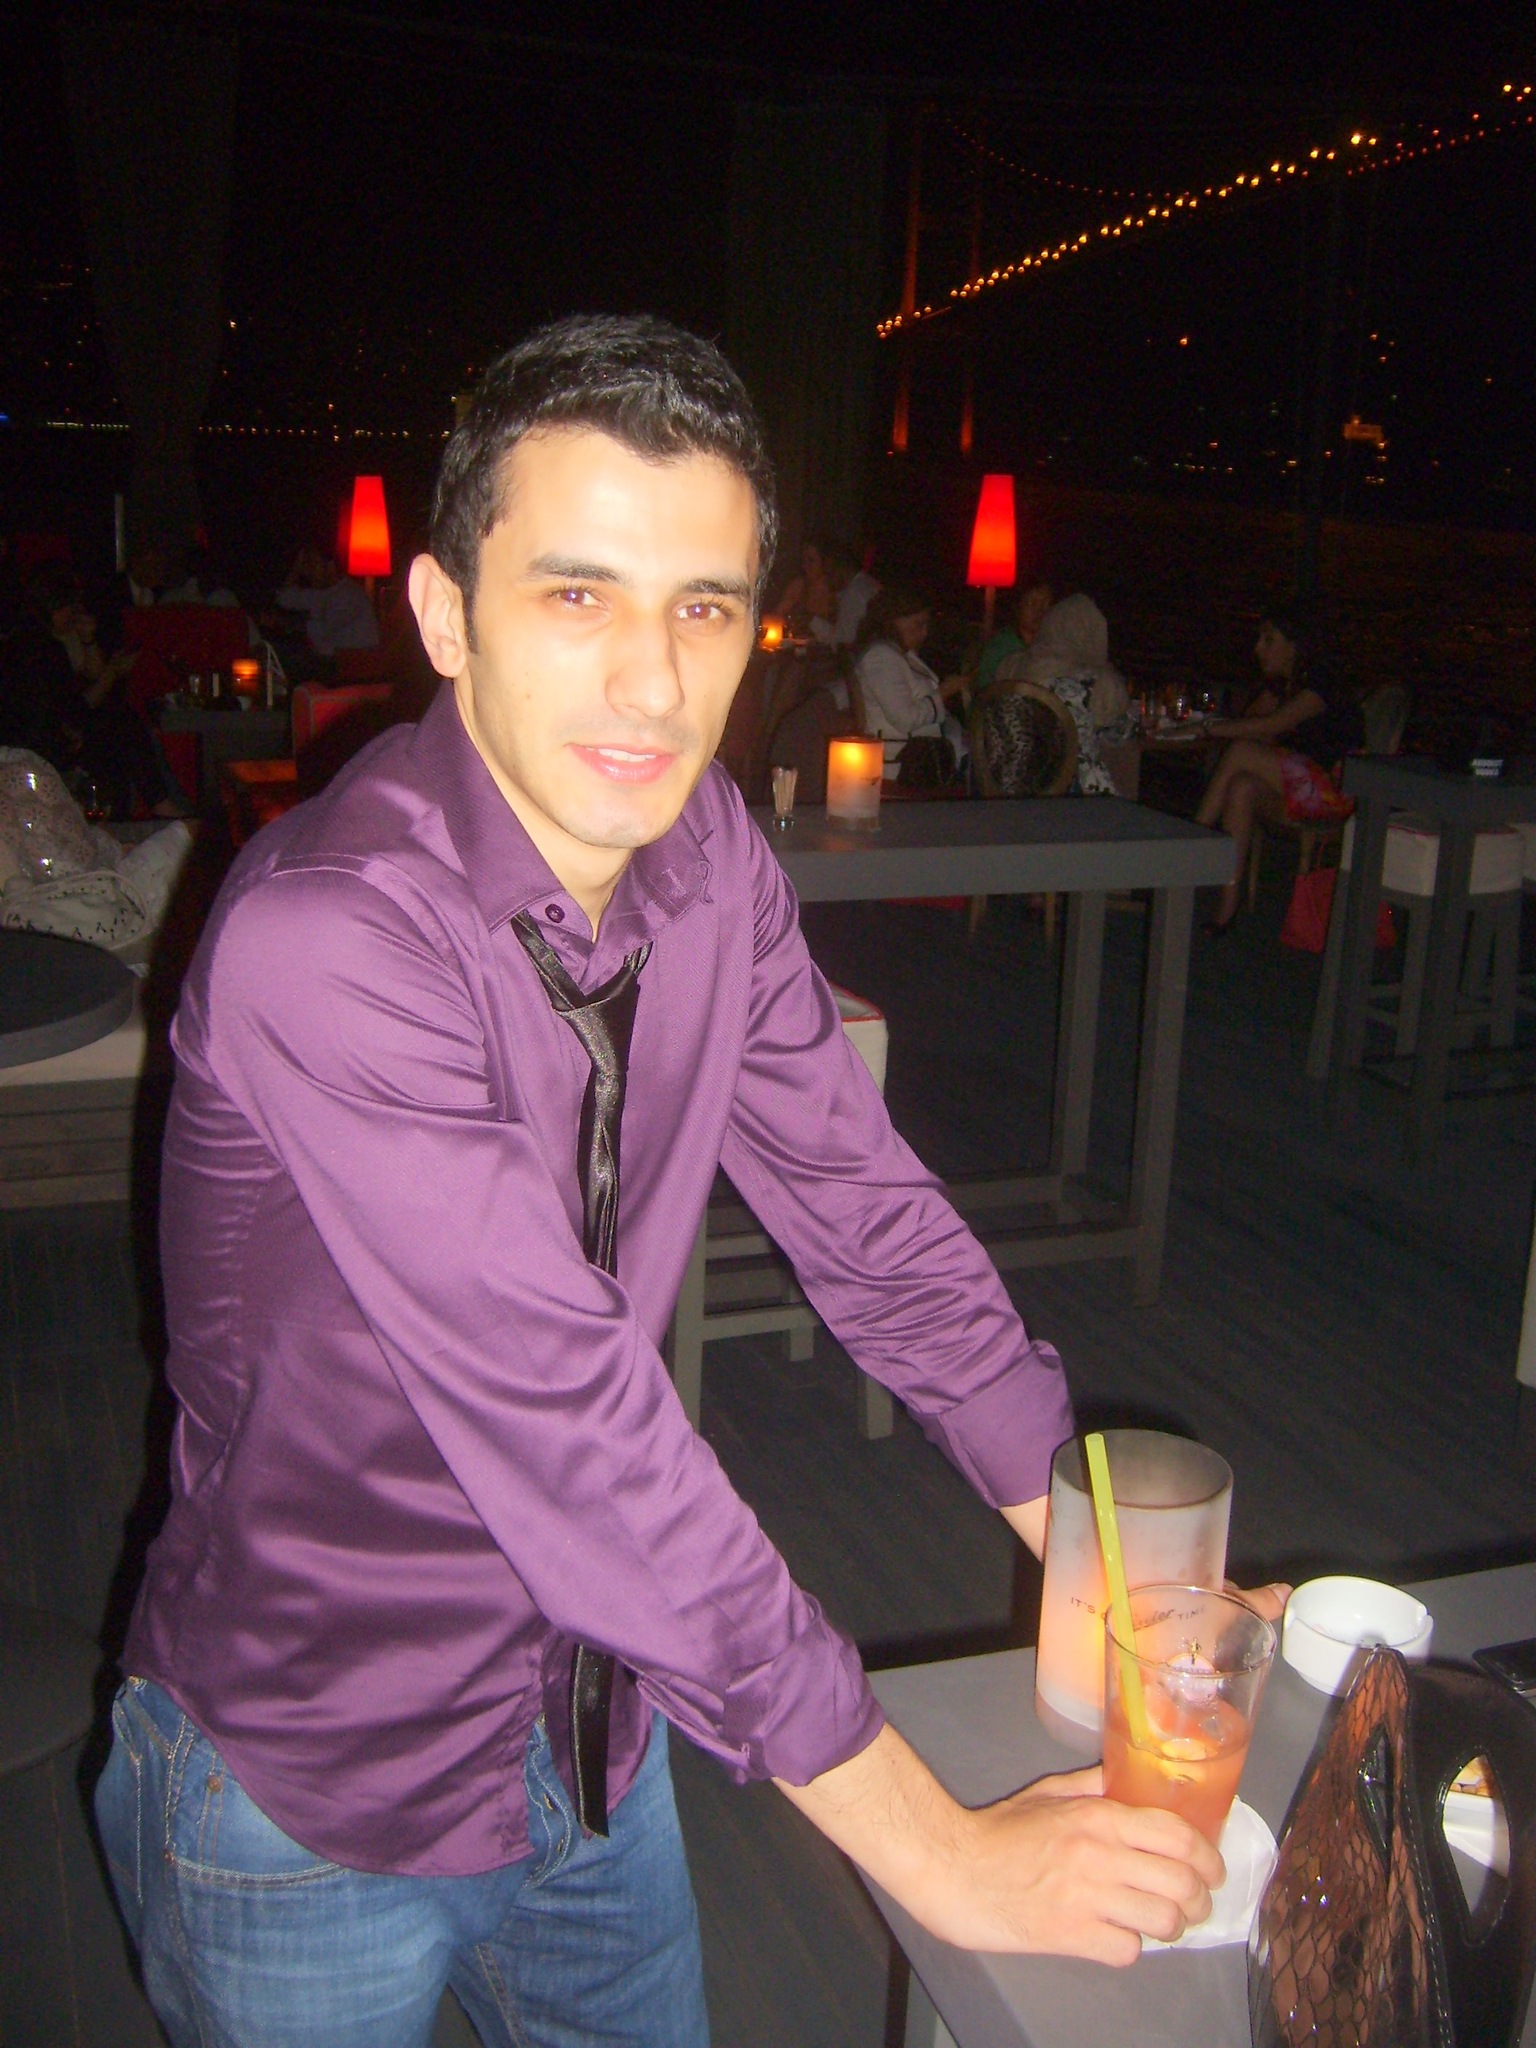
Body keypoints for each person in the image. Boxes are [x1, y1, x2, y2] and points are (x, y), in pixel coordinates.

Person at [97, 316, 1279, 2048]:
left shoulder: (707, 851)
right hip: (313, 1791)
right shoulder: (331, 940)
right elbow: (581, 1440)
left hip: (595, 1729)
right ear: (444, 615)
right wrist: (944, 1856)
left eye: (704, 608)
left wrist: (1105, 1575)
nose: (652, 683)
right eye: (578, 594)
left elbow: (866, 1217)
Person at [1196, 599, 1363, 933]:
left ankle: (1187, 845)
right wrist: (1222, 721)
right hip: (1303, 787)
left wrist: (1207, 729)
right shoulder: (1283, 684)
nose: (1258, 648)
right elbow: (1251, 723)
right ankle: (1227, 909)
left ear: (1295, 645)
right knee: (1242, 787)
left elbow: (1274, 725)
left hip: (1339, 791)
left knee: (1242, 752)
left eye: (1268, 640)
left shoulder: (1321, 684)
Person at [853, 584, 967, 773]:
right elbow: (905, 719)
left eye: (926, 625)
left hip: (917, 754)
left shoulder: (899, 653)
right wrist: (943, 693)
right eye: (918, 624)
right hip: (903, 761)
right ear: (894, 621)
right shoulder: (881, 657)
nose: (924, 633)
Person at [275, 543, 381, 659]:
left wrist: (285, 623)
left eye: (312, 565)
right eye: (305, 566)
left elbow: (321, 629)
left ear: (330, 566)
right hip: (328, 660)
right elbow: (284, 598)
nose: (307, 572)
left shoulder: (350, 595)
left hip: (352, 663)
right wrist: (297, 568)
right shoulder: (321, 593)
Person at [974, 574, 1054, 694]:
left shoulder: (1052, 644)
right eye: (1032, 603)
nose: (1040, 612)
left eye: (1046, 605)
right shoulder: (1001, 646)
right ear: (1018, 606)